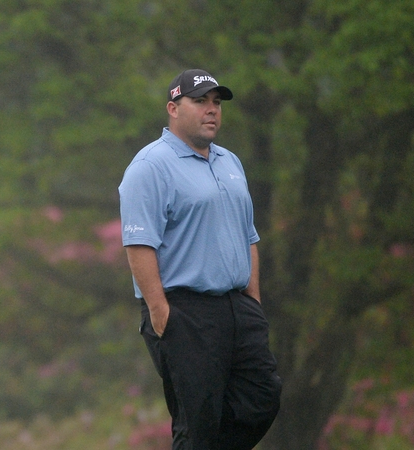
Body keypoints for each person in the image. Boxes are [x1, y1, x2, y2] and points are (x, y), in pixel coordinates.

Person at [119, 69, 282, 450]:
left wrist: (252, 303)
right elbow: (139, 246)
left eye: (217, 103)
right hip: (185, 311)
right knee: (198, 420)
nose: (212, 110)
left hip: (237, 308)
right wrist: (161, 313)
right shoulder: (150, 166)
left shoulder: (230, 162)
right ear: (173, 109)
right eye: (201, 101)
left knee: (261, 400)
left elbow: (248, 236)